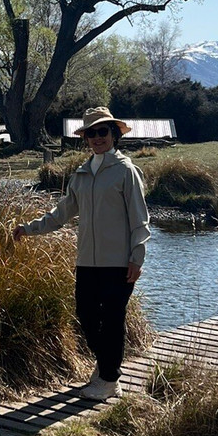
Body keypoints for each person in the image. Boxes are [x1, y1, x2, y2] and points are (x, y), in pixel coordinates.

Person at [13, 107, 150, 400]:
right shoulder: (81, 174)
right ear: (85, 138)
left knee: (113, 319)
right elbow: (60, 214)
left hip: (119, 263)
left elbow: (140, 220)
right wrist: (28, 228)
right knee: (86, 316)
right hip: (87, 261)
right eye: (91, 133)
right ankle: (107, 368)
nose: (98, 137)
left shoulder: (127, 171)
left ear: (114, 134)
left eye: (103, 131)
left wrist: (137, 257)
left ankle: (109, 380)